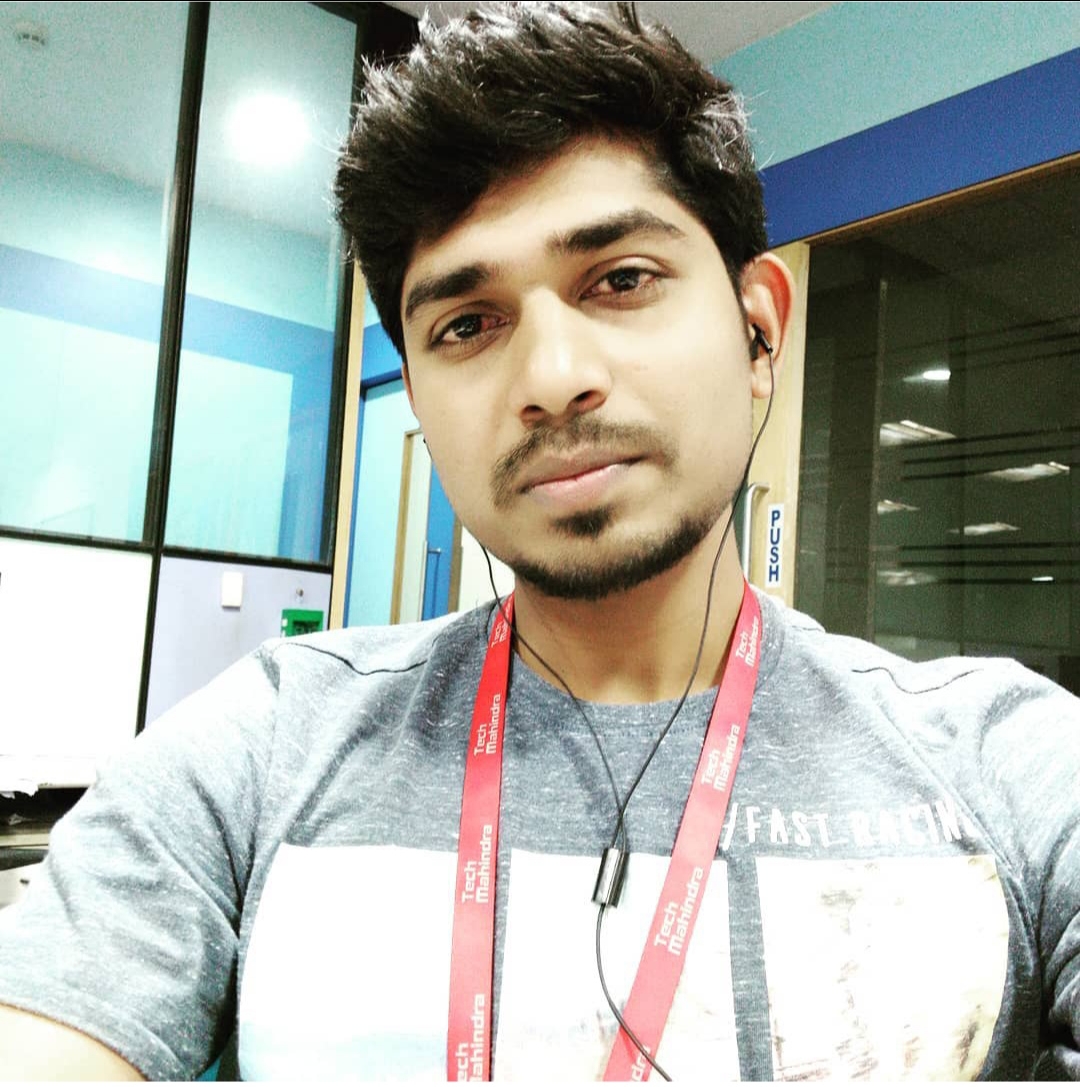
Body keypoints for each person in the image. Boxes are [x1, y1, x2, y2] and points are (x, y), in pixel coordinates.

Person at [1, 2, 1078, 1080]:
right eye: (468, 324)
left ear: (759, 329)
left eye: (621, 279)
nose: (554, 378)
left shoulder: (1008, 764)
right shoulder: (262, 747)